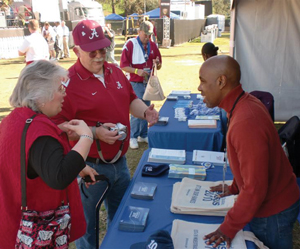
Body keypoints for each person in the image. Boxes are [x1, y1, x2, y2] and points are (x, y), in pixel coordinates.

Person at [51, 19, 159, 249]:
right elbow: (58, 127)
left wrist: (145, 113)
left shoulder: (114, 71)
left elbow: (131, 99)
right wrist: (94, 133)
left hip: (119, 163)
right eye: (92, 52)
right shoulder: (66, 83)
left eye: (103, 49)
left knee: (121, 217)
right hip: (89, 167)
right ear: (76, 50)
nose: (99, 56)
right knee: (87, 227)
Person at [198, 55, 300, 249]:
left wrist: (226, 228)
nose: (199, 87)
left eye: (203, 81)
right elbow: (253, 165)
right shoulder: (242, 104)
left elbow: (255, 188)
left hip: (274, 211)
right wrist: (236, 186)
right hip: (276, 200)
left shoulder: (245, 121)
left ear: (221, 82)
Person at [0, 60, 99, 248]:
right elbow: (59, 176)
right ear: (40, 95)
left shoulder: (15, 119)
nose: (64, 94)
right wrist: (86, 137)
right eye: (60, 88)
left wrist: (77, 164)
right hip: (35, 232)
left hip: (11, 222)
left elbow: (31, 159)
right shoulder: (39, 132)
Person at [120, 20, 162, 149]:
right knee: (136, 110)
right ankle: (132, 136)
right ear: (139, 32)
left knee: (147, 108)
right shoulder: (130, 44)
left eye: (150, 35)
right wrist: (137, 71)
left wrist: (157, 63)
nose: (148, 38)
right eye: (145, 35)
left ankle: (143, 134)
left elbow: (159, 65)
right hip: (135, 81)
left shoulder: (153, 45)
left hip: (148, 82)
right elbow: (123, 66)